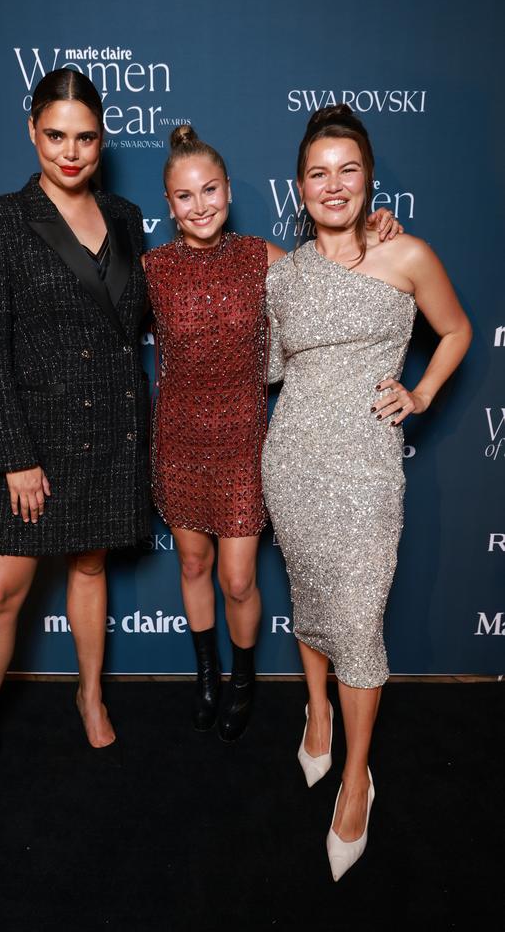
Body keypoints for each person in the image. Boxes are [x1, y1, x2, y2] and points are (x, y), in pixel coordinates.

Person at [262, 104, 472, 879]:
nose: (334, 185)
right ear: (300, 187)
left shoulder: (407, 253)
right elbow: (272, 368)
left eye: (348, 170)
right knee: (312, 597)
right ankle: (315, 713)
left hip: (368, 469)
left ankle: (357, 779)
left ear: (370, 179)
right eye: (318, 173)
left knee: (358, 617)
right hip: (291, 464)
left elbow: (456, 331)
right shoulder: (282, 276)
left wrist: (419, 395)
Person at [144, 125, 401, 742]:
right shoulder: (152, 268)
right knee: (192, 563)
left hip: (243, 439)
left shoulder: (261, 257)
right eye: (185, 196)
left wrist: (371, 228)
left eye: (210, 189)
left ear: (229, 191)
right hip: (178, 437)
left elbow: (331, 278)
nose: (200, 204)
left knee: (238, 577)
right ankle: (207, 674)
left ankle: (243, 677)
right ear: (169, 204)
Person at [0, 69, 150, 800]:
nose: (72, 152)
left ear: (103, 138)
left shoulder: (127, 216)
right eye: (56, 135)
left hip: (111, 432)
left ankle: (89, 695)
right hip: (34, 440)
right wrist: (14, 455)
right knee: (2, 592)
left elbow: (153, 310)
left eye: (86, 137)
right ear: (31, 130)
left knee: (90, 568)